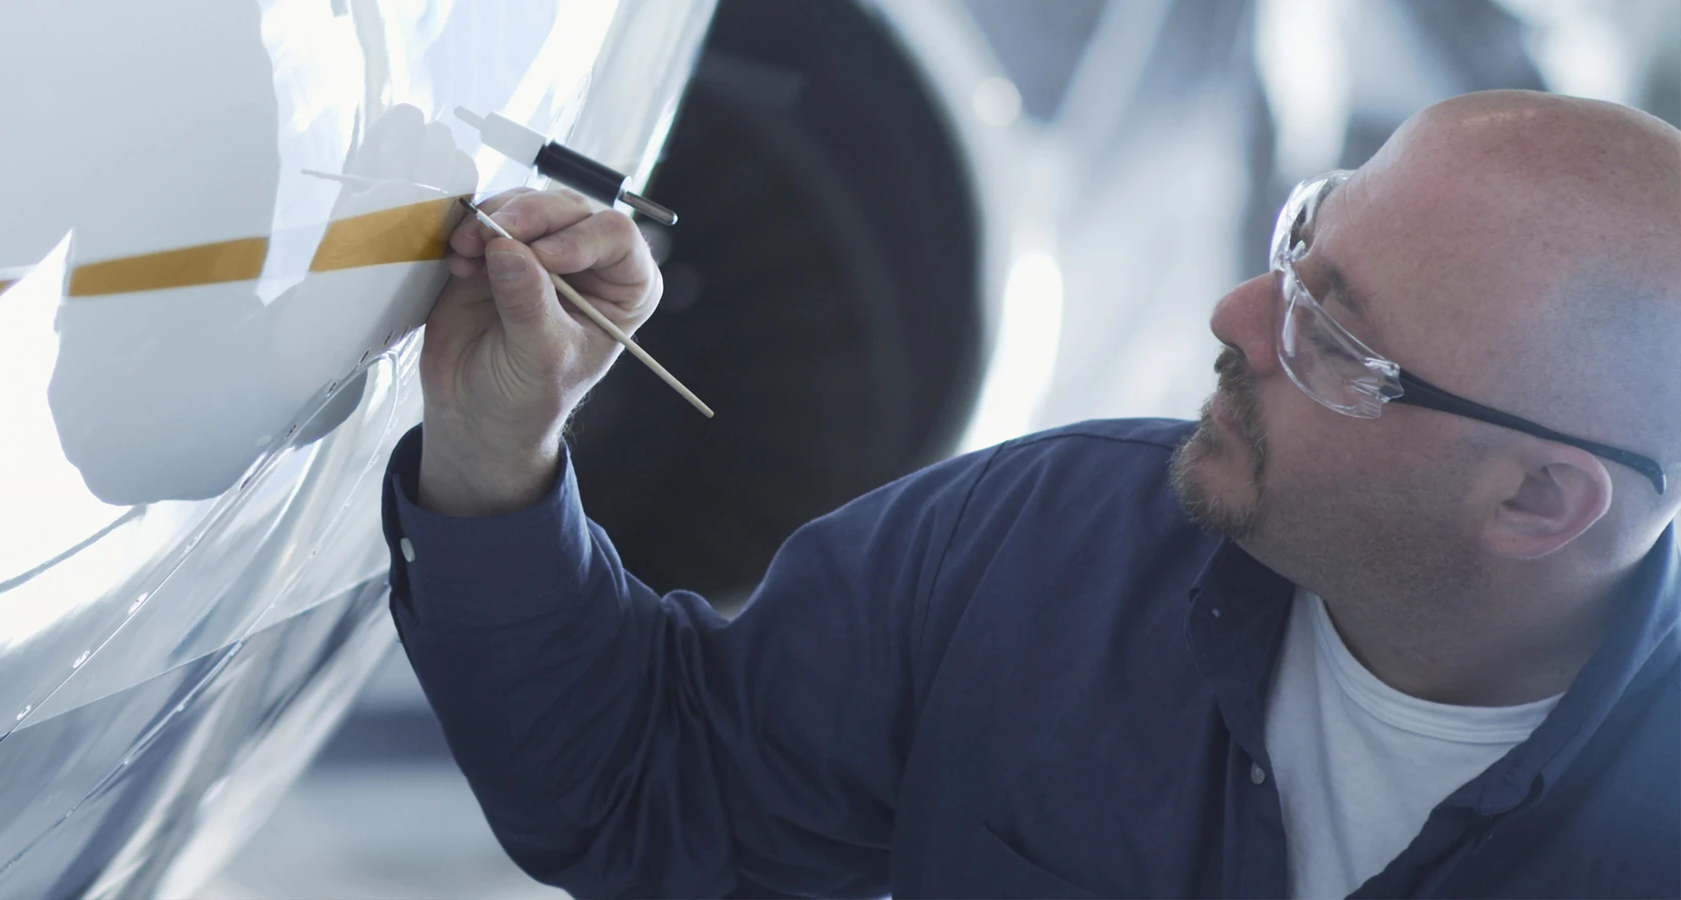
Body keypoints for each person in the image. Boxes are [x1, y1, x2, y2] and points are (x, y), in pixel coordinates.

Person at [385, 89, 1681, 897]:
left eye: (1334, 340)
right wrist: (499, 447)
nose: (1234, 319)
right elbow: (652, 799)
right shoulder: (1050, 543)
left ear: (1538, 503)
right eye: (1301, 243)